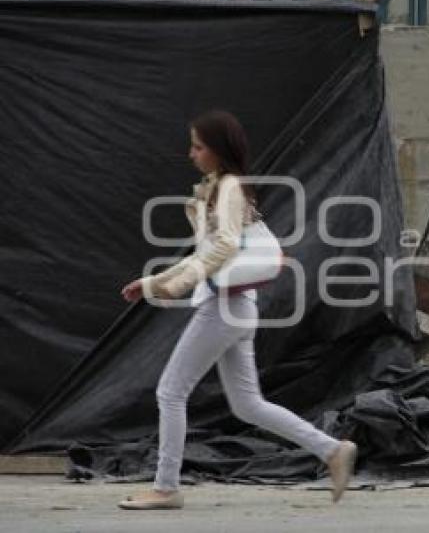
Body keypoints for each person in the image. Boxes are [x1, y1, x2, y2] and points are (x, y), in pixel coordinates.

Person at [118, 110, 357, 509]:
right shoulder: (218, 189)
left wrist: (177, 284)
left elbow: (225, 245)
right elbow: (207, 252)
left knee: (171, 390)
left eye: (198, 146)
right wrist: (151, 284)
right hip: (238, 306)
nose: (191, 153)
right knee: (248, 404)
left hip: (225, 305)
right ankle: (332, 450)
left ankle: (165, 487)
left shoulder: (227, 188)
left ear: (218, 150)